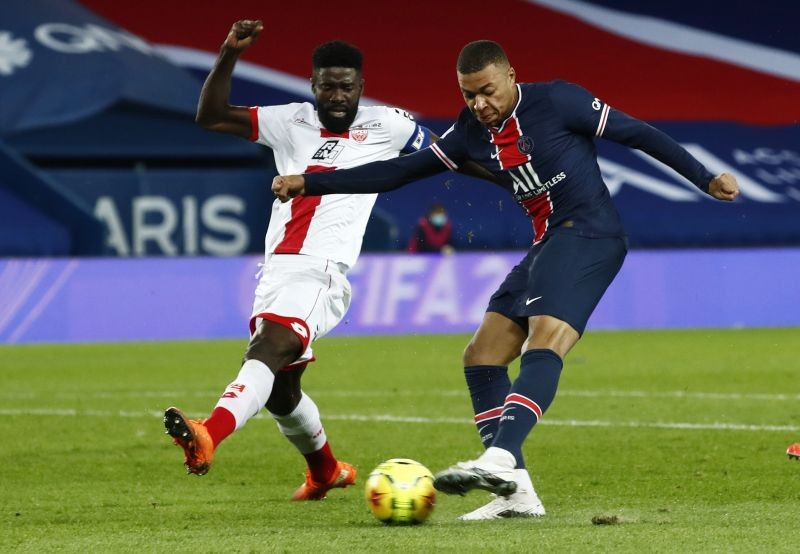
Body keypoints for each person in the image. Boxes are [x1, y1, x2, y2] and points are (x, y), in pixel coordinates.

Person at [271, 40, 740, 519]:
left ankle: (499, 459)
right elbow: (400, 171)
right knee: (482, 355)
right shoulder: (469, 130)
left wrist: (704, 178)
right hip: (547, 244)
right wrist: (311, 182)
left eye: (488, 91)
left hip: (590, 234)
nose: (480, 104)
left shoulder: (558, 101)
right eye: (469, 94)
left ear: (512, 76)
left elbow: (637, 134)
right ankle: (517, 495)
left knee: (545, 339)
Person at [163, 20, 436, 501]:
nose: (336, 95)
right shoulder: (289, 121)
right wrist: (229, 52)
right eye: (327, 86)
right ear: (313, 86)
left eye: (346, 87)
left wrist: (509, 176)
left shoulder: (389, 126)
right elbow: (210, 116)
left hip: (322, 270)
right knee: (282, 392)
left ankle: (211, 432)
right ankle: (325, 471)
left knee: (266, 349)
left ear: (361, 88)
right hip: (278, 269)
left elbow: (445, 153)